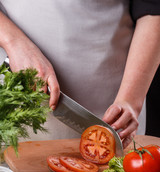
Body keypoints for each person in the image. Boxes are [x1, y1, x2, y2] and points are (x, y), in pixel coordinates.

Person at [0, 0, 160, 149]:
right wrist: (13, 42)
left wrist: (130, 100)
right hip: (13, 100)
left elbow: (153, 8)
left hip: (112, 104)